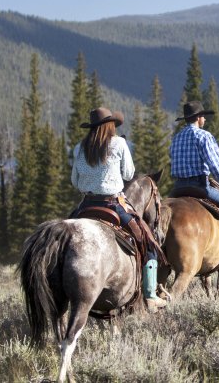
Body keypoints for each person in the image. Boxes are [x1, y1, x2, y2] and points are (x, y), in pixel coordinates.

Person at [71, 106, 167, 312]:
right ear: (109, 126)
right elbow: (129, 173)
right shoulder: (119, 143)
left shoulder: (79, 148)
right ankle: (150, 295)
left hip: (86, 205)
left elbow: (75, 181)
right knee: (147, 241)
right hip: (112, 204)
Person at [169, 101, 219, 273]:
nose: (204, 118)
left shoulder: (176, 138)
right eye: (203, 116)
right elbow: (217, 167)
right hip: (199, 186)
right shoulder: (204, 136)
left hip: (178, 189)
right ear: (198, 118)